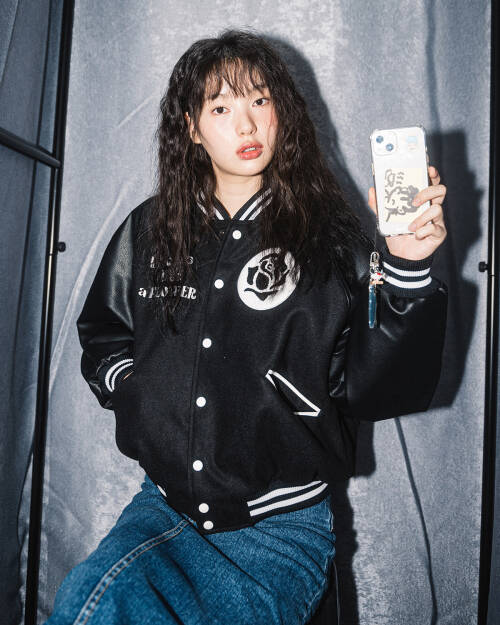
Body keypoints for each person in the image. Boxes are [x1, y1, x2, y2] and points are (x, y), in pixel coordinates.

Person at [46, 28, 448, 625]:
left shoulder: (329, 237)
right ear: (191, 127)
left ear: (282, 111)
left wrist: (408, 269)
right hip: (162, 512)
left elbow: (376, 389)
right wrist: (139, 390)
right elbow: (104, 331)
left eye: (260, 99)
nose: (247, 123)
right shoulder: (151, 228)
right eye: (220, 108)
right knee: (91, 602)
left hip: (280, 530)